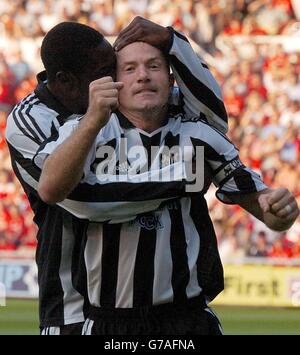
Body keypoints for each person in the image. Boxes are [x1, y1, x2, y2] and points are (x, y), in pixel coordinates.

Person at [34, 17, 299, 335]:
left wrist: (277, 209)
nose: (143, 76)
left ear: (173, 77)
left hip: (186, 319)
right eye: (129, 69)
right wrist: (93, 119)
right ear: (114, 81)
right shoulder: (82, 130)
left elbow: (260, 202)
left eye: (153, 66)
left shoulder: (198, 134)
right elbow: (50, 189)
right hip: (109, 322)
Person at [5, 18, 227, 335]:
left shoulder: (125, 104)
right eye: (103, 72)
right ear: (66, 82)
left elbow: (214, 122)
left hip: (146, 304)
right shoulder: (30, 121)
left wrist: (174, 43)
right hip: (71, 304)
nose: (117, 79)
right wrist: (182, 180)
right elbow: (78, 195)